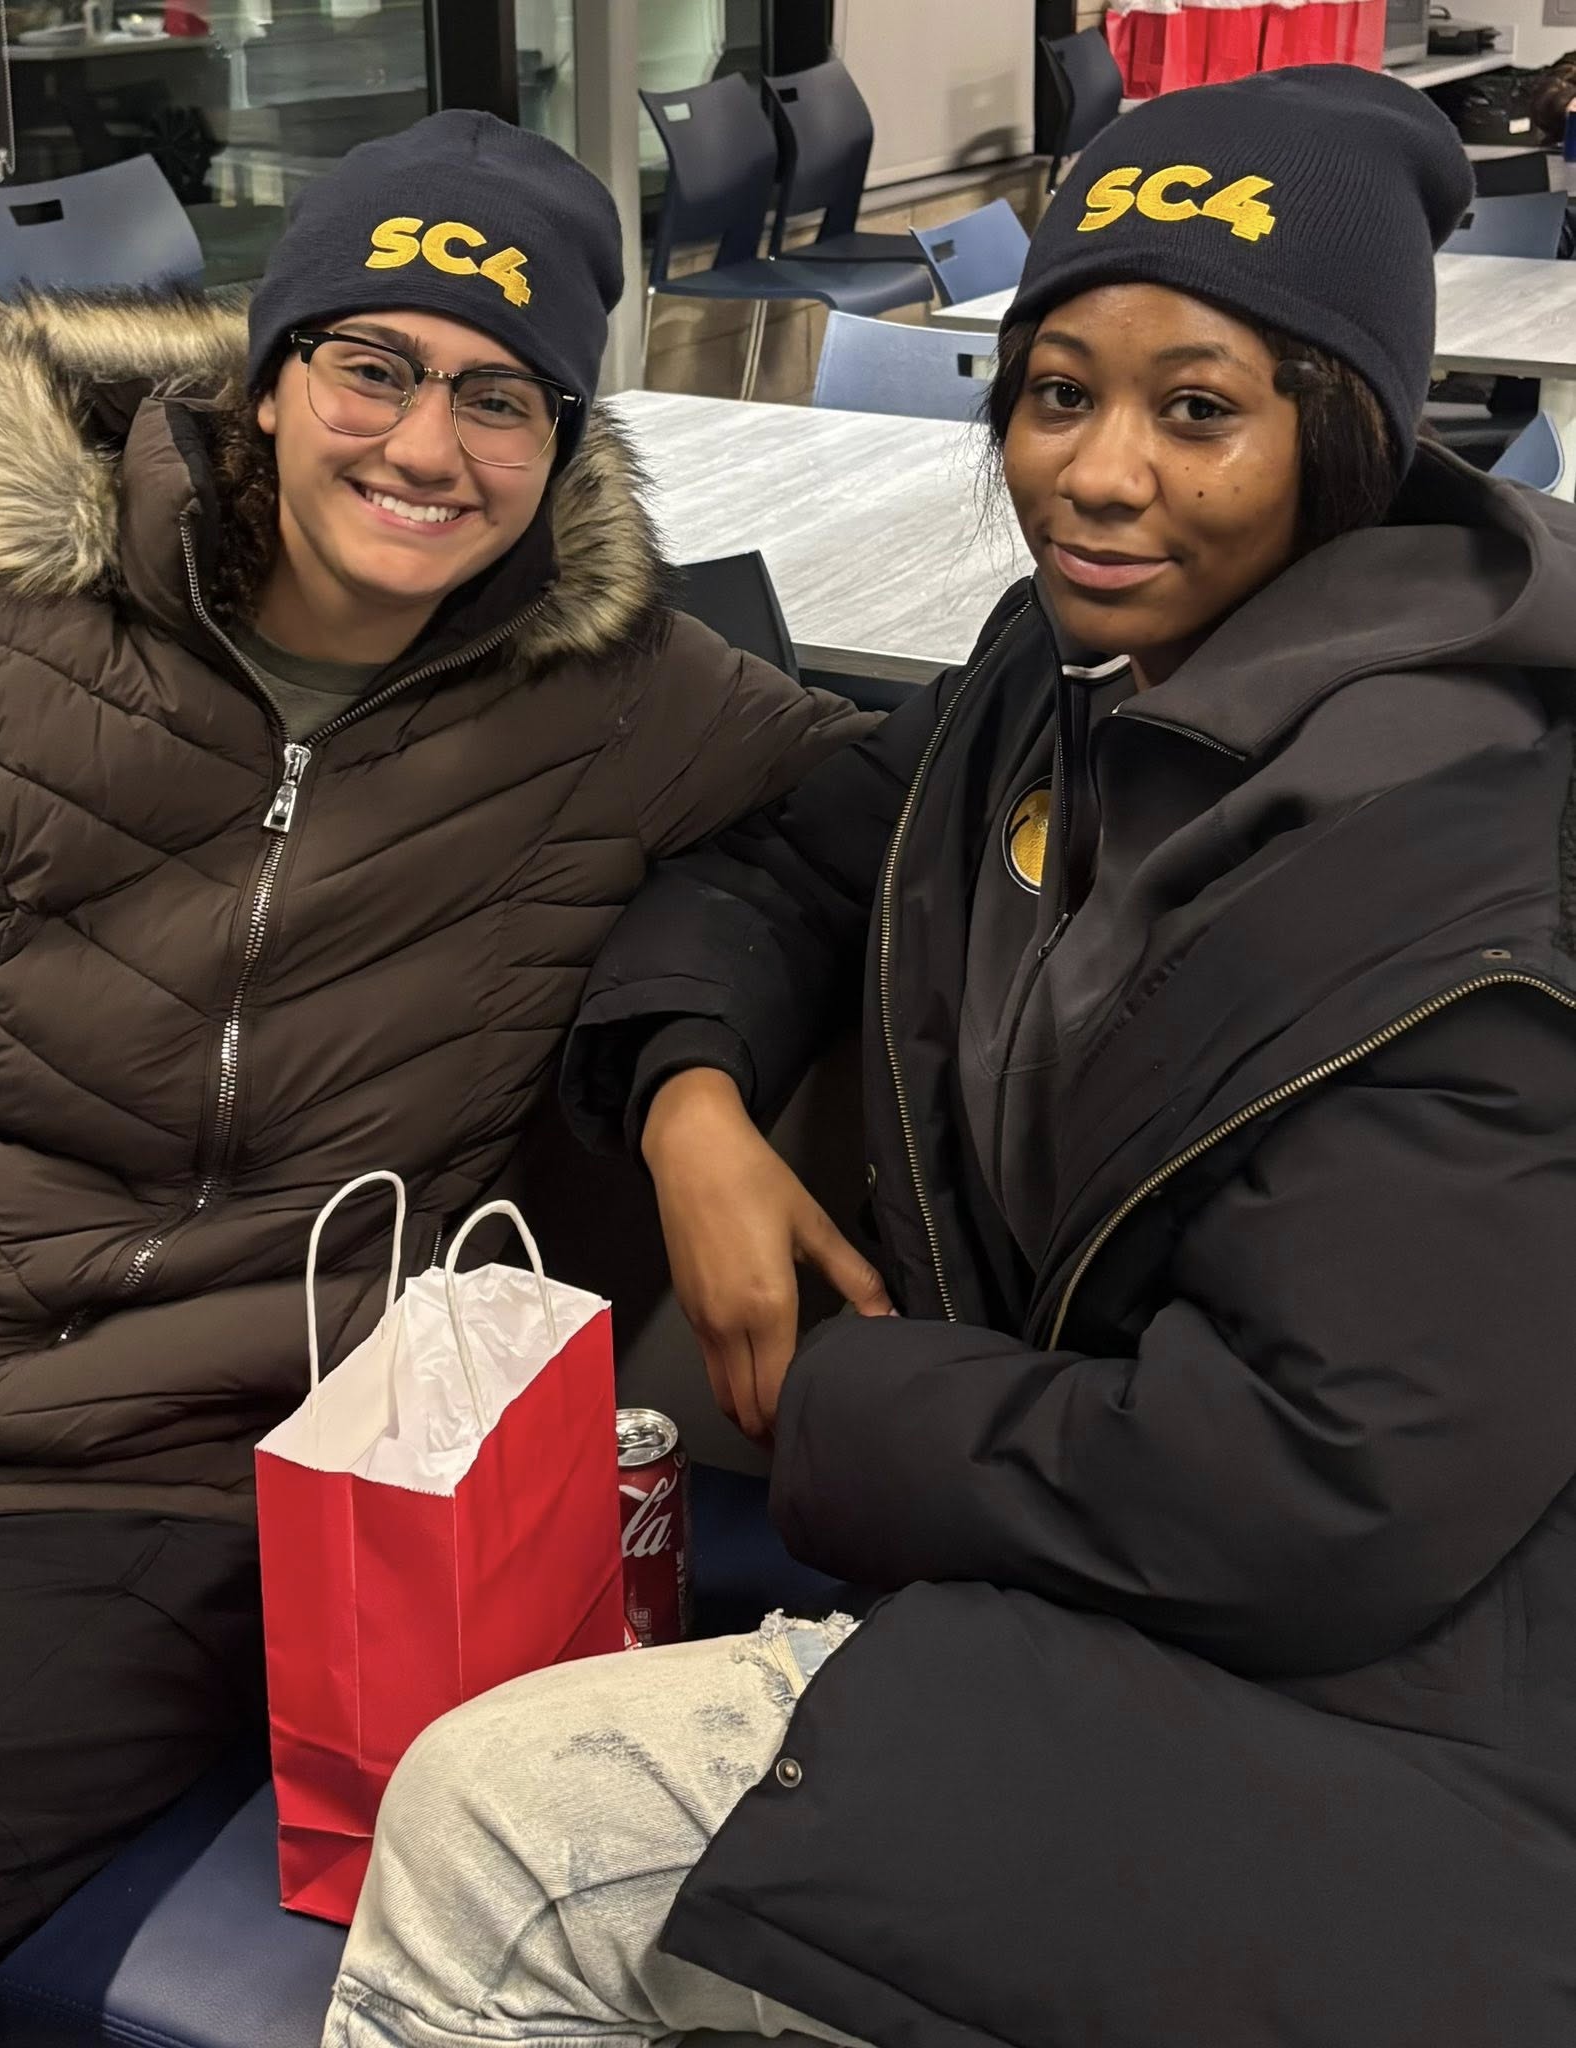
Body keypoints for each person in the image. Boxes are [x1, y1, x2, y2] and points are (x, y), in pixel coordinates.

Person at [323, 68, 1576, 2048]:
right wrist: (695, 1106)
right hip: (1106, 1587)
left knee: (503, 1825)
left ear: (1342, 435)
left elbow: (1319, 1493)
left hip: (1396, 1752)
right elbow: (790, 862)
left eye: (1198, 408)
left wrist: (841, 1406)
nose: (1093, 472)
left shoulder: (1467, 865)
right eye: (1058, 388)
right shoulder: (1061, 680)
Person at [0, 111, 869, 2043]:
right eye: (369, 364)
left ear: (560, 445)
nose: (425, 447)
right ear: (266, 381)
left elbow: (908, 814)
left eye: (501, 398)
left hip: (168, 1490)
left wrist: (690, 1075)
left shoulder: (628, 698)